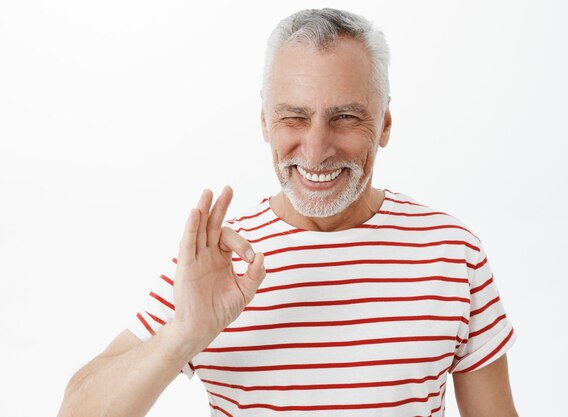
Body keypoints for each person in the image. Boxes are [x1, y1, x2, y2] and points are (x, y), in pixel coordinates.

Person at [58, 8, 518, 417]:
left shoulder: (452, 252)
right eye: (294, 117)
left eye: (344, 117)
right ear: (264, 122)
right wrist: (182, 335)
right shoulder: (217, 262)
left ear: (385, 124)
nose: (316, 151)